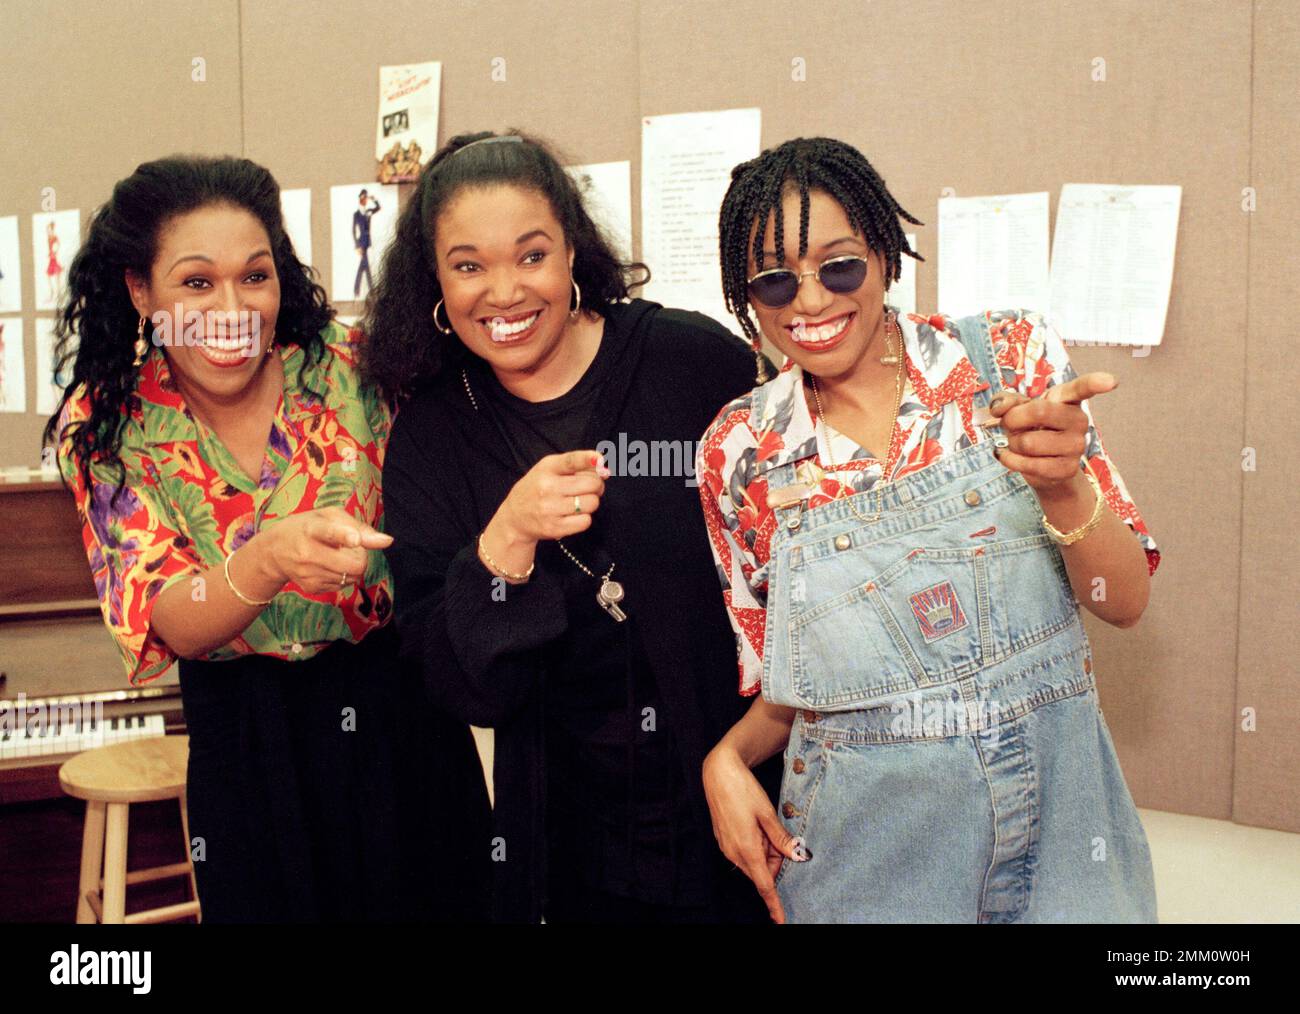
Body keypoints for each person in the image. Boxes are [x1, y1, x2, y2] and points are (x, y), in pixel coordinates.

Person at [696, 137, 1160, 923]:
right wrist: (727, 758)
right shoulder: (740, 452)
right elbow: (794, 693)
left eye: (838, 266)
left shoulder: (1008, 361)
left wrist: (1063, 486)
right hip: (873, 865)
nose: (808, 303)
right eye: (776, 280)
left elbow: (1125, 601)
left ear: (884, 255)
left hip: (1068, 840)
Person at [44, 154, 489, 923]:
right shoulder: (110, 423)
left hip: (401, 714)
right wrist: (266, 560)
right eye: (195, 282)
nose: (232, 307)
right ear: (140, 291)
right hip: (248, 740)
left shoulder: (356, 368)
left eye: (255, 276)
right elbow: (169, 616)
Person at [362, 130, 782, 924]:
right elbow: (455, 685)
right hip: (569, 843)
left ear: (570, 254)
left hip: (746, 792)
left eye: (530, 256)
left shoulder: (688, 361)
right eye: (468, 265)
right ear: (436, 283)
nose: (505, 292)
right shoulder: (434, 434)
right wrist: (506, 543)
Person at [353, 189, 380, 298]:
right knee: (364, 266)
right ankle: (364, 289)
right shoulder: (356, 214)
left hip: (367, 241)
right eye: (363, 198)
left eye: (366, 198)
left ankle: (358, 289)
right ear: (360, 199)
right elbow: (353, 230)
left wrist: (374, 199)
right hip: (361, 242)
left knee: (364, 266)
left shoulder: (368, 211)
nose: (364, 200)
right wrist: (357, 245)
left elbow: (378, 208)